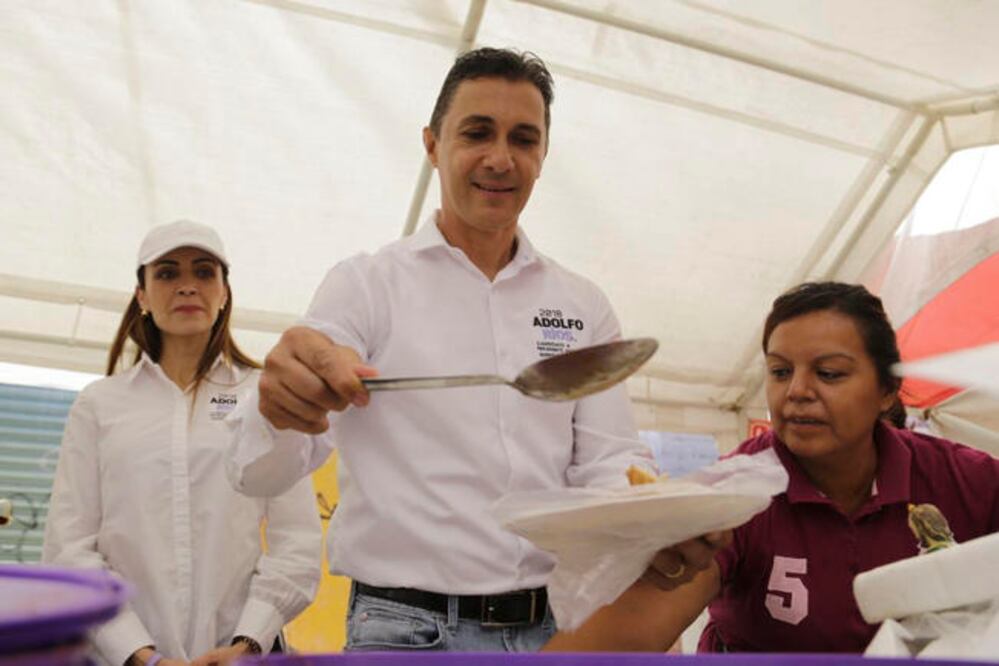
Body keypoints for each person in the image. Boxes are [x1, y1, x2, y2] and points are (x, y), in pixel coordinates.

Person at [225, 48, 727, 652]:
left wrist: (657, 517)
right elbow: (259, 472)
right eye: (477, 133)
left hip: (553, 627)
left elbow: (607, 460)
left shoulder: (582, 303)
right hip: (406, 632)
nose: (500, 158)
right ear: (433, 145)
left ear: (542, 156)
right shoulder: (367, 286)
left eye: (523, 139)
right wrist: (279, 408)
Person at [543, 281, 999, 653]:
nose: (797, 391)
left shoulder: (966, 481)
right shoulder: (733, 496)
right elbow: (627, 633)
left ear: (886, 391)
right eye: (780, 372)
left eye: (829, 373)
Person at [43, 220, 322, 666]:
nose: (188, 286)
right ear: (142, 296)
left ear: (224, 292)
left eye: (204, 272)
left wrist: (248, 642)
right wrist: (137, 653)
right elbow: (69, 546)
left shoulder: (263, 396)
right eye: (168, 273)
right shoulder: (99, 405)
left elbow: (297, 539)